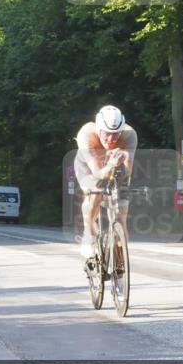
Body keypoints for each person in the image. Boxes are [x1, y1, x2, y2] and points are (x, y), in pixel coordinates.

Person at [74, 106, 138, 259]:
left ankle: (120, 261)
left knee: (121, 214)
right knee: (95, 193)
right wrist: (110, 165)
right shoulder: (86, 135)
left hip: (115, 166)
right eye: (106, 133)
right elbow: (98, 174)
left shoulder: (129, 135)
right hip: (88, 168)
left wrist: (119, 167)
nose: (111, 139)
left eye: (116, 134)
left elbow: (127, 172)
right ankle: (89, 233)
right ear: (98, 129)